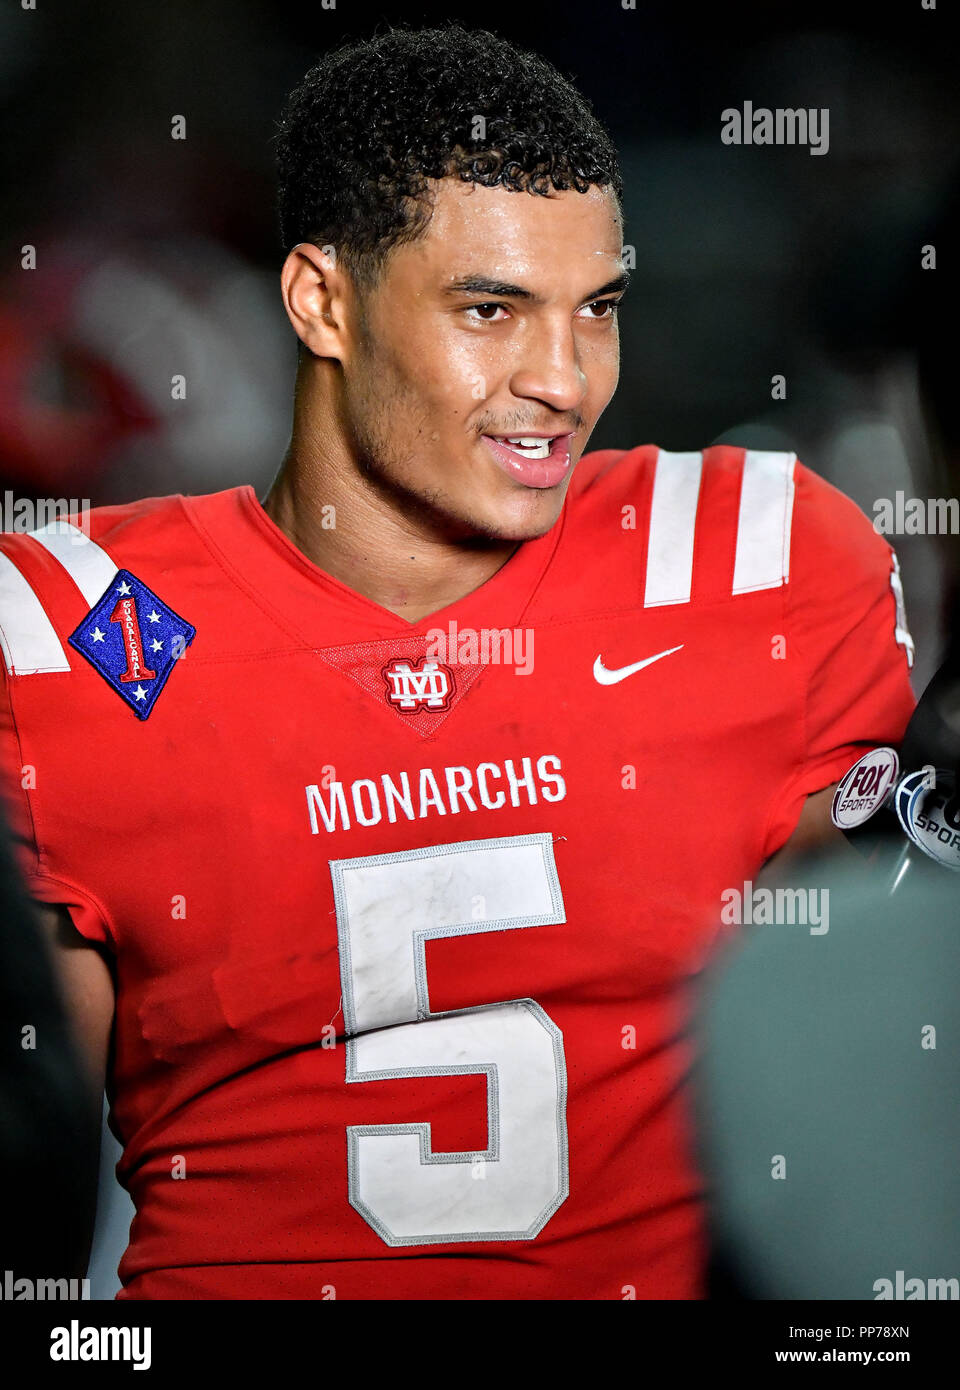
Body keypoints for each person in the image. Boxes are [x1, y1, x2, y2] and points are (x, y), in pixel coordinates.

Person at [0, 24, 916, 1300]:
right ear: (322, 298)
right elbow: (23, 1195)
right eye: (490, 310)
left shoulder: (755, 564)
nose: (562, 379)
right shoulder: (88, 633)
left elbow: (880, 1080)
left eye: (596, 310)